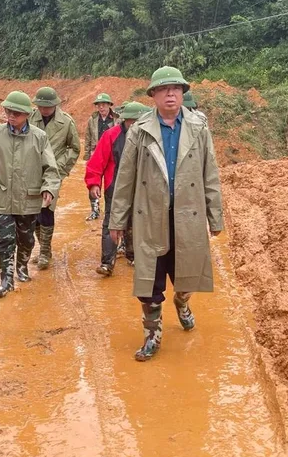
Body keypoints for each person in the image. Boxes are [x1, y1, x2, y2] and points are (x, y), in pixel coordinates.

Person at [109, 66, 224, 361]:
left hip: (189, 215)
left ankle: (182, 302)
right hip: (150, 217)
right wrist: (117, 220)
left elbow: (210, 174)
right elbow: (125, 178)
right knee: (149, 280)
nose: (170, 93)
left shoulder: (199, 127)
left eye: (176, 88)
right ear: (154, 95)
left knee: (187, 276)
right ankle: (152, 334)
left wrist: (215, 216)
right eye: (164, 89)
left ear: (183, 93)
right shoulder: (140, 130)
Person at [0, 91, 60, 299]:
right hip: (2, 198)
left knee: (26, 239)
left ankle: (22, 266)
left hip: (28, 199)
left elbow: (51, 168)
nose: (11, 116)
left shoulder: (39, 137)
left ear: (26, 114)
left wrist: (49, 188)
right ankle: (6, 281)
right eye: (8, 112)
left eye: (16, 113)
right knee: (5, 240)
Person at [85, 102, 150, 277]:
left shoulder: (150, 137)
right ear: (124, 120)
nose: (135, 125)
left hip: (142, 188)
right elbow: (97, 161)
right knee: (112, 222)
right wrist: (94, 183)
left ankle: (133, 255)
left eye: (138, 122)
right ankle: (107, 262)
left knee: (135, 223)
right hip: (115, 187)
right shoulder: (111, 136)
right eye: (131, 122)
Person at [28, 87, 80, 270]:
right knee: (33, 211)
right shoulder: (29, 118)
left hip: (53, 173)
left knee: (47, 209)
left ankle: (44, 252)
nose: (44, 110)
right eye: (41, 106)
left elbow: (74, 148)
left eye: (47, 107)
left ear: (55, 105)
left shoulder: (66, 122)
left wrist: (61, 168)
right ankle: (43, 249)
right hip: (31, 172)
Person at [84, 93, 118, 220]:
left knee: (112, 183)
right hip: (95, 154)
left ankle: (112, 209)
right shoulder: (92, 120)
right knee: (93, 182)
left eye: (104, 105)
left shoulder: (117, 119)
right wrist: (87, 156)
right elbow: (87, 137)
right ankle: (95, 210)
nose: (101, 107)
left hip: (112, 156)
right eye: (99, 105)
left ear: (109, 105)